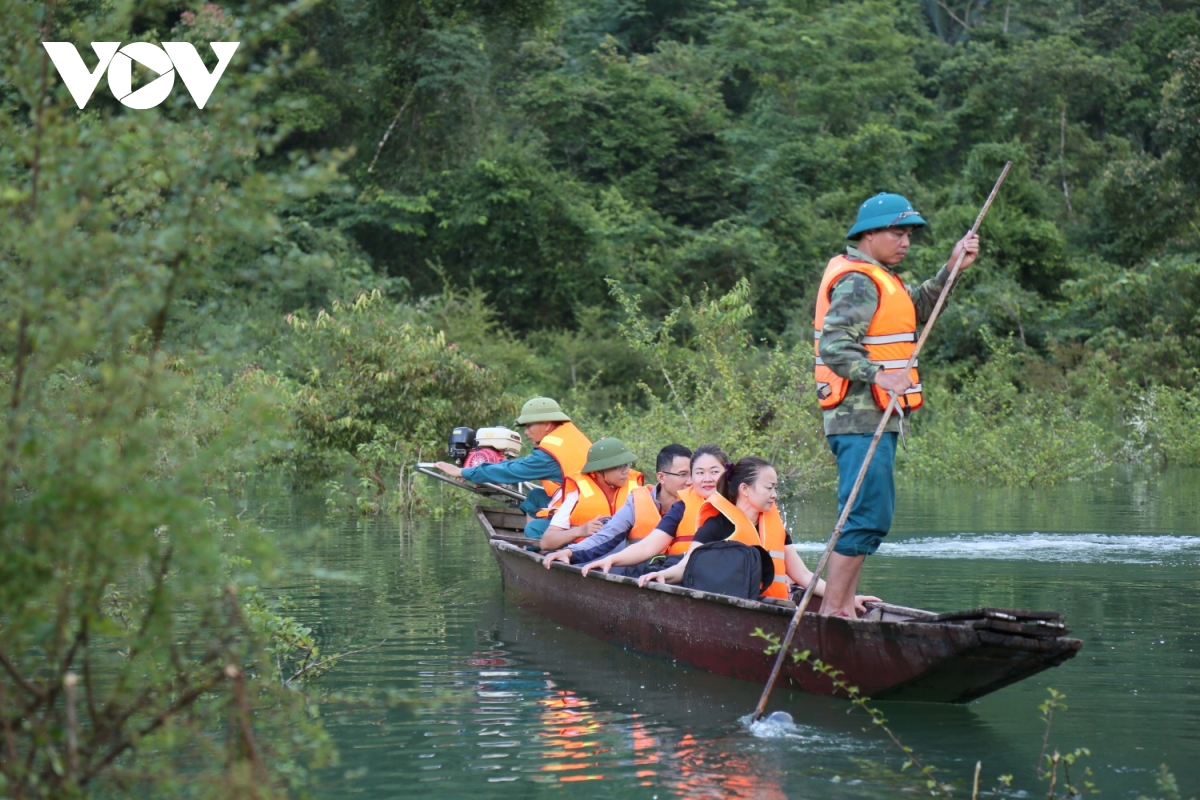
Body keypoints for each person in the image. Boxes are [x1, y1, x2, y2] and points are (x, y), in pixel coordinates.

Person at [813, 192, 978, 616]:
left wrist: (952, 268)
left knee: (872, 512)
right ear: (868, 234)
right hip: (858, 416)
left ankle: (844, 604)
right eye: (896, 232)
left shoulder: (883, 276)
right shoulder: (858, 280)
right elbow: (835, 347)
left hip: (879, 416)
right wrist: (880, 375)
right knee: (863, 512)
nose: (905, 241)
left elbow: (920, 307)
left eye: (908, 234)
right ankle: (834, 611)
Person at [637, 457, 881, 613]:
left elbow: (805, 576)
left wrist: (847, 596)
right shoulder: (715, 526)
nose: (775, 494)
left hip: (775, 608)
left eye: (775, 488)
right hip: (735, 611)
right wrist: (661, 574)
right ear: (745, 489)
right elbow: (684, 568)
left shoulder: (775, 527)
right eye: (769, 488)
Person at [432, 396, 591, 539]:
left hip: (584, 515)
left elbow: (512, 470)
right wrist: (471, 472)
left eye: (529, 426)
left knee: (533, 529)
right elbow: (517, 465)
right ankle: (535, 544)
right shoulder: (569, 437)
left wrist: (463, 471)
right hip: (585, 501)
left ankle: (543, 554)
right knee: (535, 496)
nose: (526, 432)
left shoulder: (549, 455)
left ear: (547, 424)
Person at [577, 444, 728, 578]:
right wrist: (610, 560)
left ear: (727, 473)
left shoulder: (739, 503)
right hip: (676, 574)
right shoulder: (681, 507)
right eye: (700, 473)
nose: (706, 478)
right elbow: (646, 546)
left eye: (714, 472)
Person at [541, 444, 692, 569]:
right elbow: (604, 537)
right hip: (639, 576)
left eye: (692, 474)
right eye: (683, 474)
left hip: (683, 574)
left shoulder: (701, 504)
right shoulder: (636, 501)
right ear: (661, 477)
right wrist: (569, 552)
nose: (690, 481)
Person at [538, 438, 645, 552]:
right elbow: (546, 542)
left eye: (627, 464)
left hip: (627, 558)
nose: (626, 471)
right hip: (588, 556)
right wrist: (580, 531)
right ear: (599, 471)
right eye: (618, 467)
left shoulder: (636, 491)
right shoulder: (577, 494)